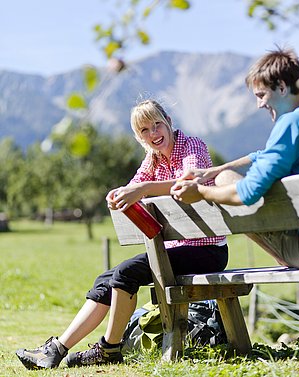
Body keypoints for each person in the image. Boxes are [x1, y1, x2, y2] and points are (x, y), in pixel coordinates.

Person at [171, 48, 299, 366]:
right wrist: (211, 170)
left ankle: (285, 260)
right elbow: (266, 154)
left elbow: (249, 192)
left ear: (282, 88)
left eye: (261, 95)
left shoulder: (291, 123)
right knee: (226, 175)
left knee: (230, 182)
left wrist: (203, 190)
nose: (259, 104)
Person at [16, 99, 228, 369]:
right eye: (144, 131)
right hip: (177, 250)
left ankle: (109, 348)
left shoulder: (192, 145)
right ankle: (56, 350)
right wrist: (117, 195)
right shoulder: (152, 160)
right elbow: (133, 187)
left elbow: (190, 181)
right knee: (107, 279)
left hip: (206, 251)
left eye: (156, 124)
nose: (153, 133)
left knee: (127, 272)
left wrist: (143, 190)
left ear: (169, 122)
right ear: (139, 137)